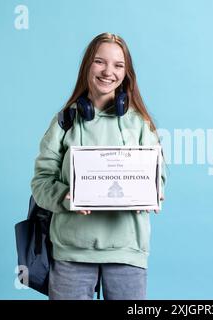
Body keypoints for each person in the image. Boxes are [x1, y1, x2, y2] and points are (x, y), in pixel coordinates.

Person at [30, 32, 166, 300]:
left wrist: (154, 190)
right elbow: (40, 182)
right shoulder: (64, 122)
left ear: (126, 73)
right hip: (71, 251)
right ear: (87, 67)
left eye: (118, 65)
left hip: (127, 249)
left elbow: (158, 176)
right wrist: (65, 197)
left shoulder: (140, 124)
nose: (108, 72)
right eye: (99, 62)